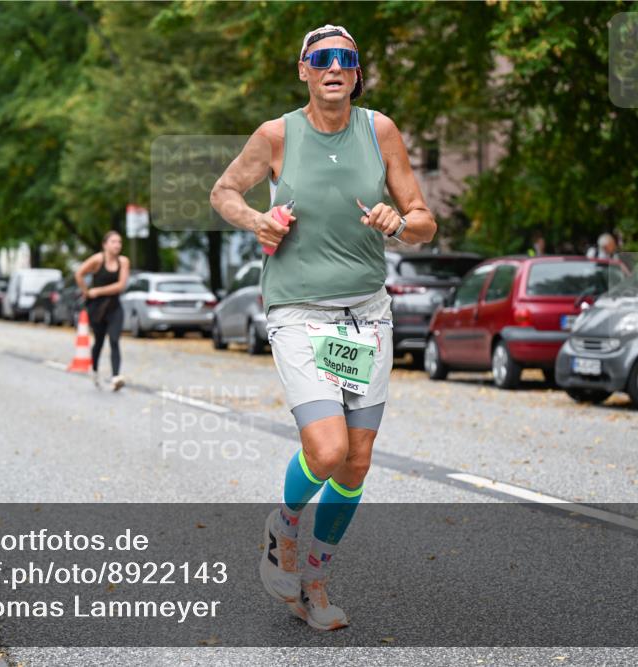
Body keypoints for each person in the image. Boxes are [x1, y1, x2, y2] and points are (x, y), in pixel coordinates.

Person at [210, 24, 436, 631]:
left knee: (356, 463)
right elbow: (224, 190)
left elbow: (424, 220)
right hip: (299, 312)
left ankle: (314, 581)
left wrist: (398, 221)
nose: (334, 66)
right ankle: (281, 529)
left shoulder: (379, 130)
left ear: (356, 73)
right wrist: (256, 219)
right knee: (328, 449)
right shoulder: (276, 135)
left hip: (365, 314)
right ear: (304, 70)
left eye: (346, 59)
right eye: (322, 58)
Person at [74, 230, 130, 391]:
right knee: (98, 341)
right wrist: (86, 291)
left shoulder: (124, 262)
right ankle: (95, 371)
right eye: (113, 242)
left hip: (114, 307)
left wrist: (98, 290)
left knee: (114, 340)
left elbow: (121, 286)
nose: (117, 245)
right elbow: (79, 273)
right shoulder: (98, 260)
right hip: (97, 308)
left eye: (119, 242)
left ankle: (115, 377)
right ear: (105, 245)